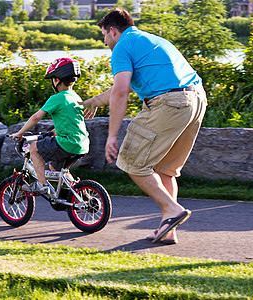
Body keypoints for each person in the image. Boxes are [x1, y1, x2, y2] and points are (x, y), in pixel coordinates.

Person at [82, 9, 207, 244]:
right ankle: (168, 228)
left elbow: (121, 92)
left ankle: (174, 210)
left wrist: (111, 136)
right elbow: (124, 86)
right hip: (196, 100)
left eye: (104, 35)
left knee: (131, 160)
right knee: (165, 169)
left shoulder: (121, 46)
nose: (105, 41)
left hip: (169, 103)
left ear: (113, 30)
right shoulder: (151, 40)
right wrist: (94, 101)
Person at [11, 58, 90, 195]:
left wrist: (20, 133)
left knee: (34, 148)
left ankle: (41, 185)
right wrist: (53, 132)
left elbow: (36, 117)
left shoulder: (56, 98)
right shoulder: (75, 97)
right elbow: (70, 123)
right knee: (54, 167)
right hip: (82, 144)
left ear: (57, 80)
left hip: (67, 143)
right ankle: (80, 194)